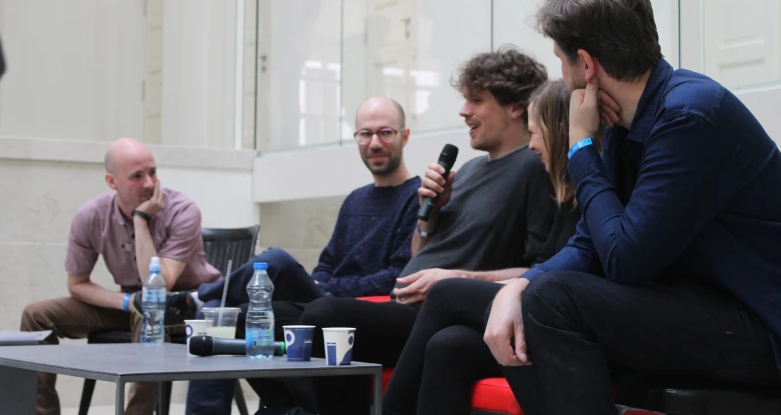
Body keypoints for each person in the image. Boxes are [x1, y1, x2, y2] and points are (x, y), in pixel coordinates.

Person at [484, 0, 781, 415]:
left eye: (561, 62)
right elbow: (591, 240)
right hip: (700, 305)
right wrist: (519, 284)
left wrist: (580, 148)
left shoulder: (688, 115)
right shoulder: (629, 117)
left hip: (758, 324)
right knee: (517, 302)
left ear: (586, 65)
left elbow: (625, 259)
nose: (562, 76)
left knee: (552, 301)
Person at [299, 46, 555, 415]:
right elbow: (420, 252)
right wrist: (429, 216)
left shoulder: (533, 167)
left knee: (326, 316)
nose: (464, 111)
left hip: (444, 311)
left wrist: (454, 279)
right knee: (294, 316)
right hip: (405, 307)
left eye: (476, 100)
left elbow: (536, 270)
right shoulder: (467, 170)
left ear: (515, 108)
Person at [185, 96, 421, 415]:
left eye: (385, 133)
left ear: (404, 136)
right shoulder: (354, 201)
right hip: (322, 304)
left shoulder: (416, 199)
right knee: (228, 317)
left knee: (276, 262)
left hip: (360, 316)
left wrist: (330, 290)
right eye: (365, 134)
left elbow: (395, 276)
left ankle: (196, 297)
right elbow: (325, 264)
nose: (374, 143)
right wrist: (321, 286)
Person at [382, 79, 584, 415]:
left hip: (558, 309)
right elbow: (547, 265)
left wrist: (477, 280)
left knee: (447, 293)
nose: (531, 146)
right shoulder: (475, 172)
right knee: (448, 345)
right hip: (524, 297)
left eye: (535, 133)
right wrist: (428, 219)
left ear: (560, 133)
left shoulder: (559, 180)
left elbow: (548, 267)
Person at [21, 138, 220, 415]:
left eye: (152, 172)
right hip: (129, 303)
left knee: (148, 310)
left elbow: (160, 288)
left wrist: (141, 219)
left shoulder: (183, 210)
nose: (150, 183)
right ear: (112, 181)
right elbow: (76, 284)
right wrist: (126, 302)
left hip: (185, 307)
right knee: (36, 315)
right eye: (137, 176)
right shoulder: (91, 215)